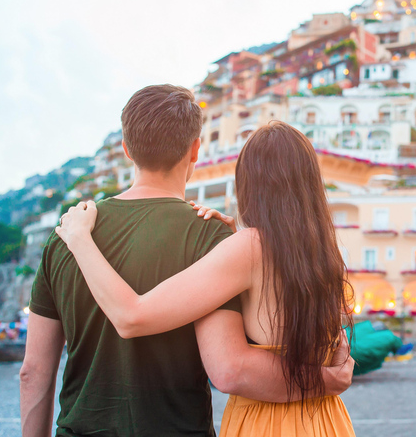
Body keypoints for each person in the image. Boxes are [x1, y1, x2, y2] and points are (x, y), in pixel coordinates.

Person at [20, 86, 353, 437]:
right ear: (196, 149)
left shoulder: (66, 238)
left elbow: (33, 372)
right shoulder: (223, 240)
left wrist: (80, 240)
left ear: (126, 149)